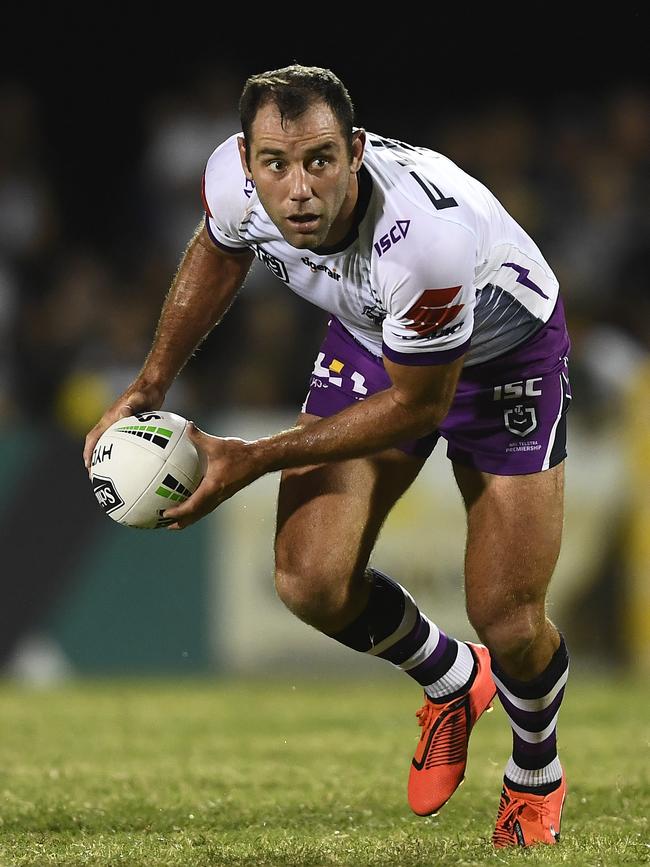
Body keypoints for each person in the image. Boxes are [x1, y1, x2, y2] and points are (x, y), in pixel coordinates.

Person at [84, 65, 572, 848]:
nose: (299, 187)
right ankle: (454, 680)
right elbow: (219, 248)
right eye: (276, 164)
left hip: (503, 351)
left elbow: (420, 405)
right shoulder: (232, 182)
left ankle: (534, 771)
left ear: (356, 151)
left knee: (509, 619)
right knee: (310, 579)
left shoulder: (424, 245)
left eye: (320, 160)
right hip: (383, 337)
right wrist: (149, 382)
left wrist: (252, 456)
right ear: (247, 160)